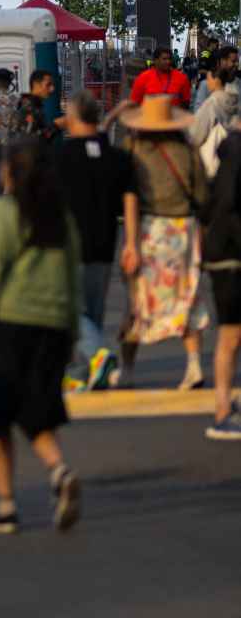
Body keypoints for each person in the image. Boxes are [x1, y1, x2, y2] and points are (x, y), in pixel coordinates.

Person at [0, 140, 83, 535]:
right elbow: (73, 276)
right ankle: (59, 470)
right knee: (36, 408)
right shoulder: (61, 216)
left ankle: (6, 505)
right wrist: (71, 332)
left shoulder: (1, 213)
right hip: (52, 326)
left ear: (9, 173)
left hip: (8, 325)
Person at [117, 95, 209, 390]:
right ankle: (194, 364)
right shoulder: (188, 149)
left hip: (149, 230)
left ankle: (127, 370)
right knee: (187, 299)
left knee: (138, 302)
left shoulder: (134, 148)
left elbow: (125, 193)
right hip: (185, 230)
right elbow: (203, 195)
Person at [54, 91, 137, 392]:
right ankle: (88, 371)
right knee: (93, 311)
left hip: (68, 244)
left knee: (68, 309)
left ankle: (98, 357)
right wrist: (131, 244)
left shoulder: (60, 157)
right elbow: (130, 199)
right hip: (106, 242)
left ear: (72, 118)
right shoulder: (117, 157)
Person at [201, 127, 241, 439]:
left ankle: (224, 406)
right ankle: (222, 411)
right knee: (230, 337)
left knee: (229, 337)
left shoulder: (216, 182)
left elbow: (202, 213)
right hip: (231, 263)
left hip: (218, 261)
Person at [129, 47, 193, 108]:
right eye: (164, 59)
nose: (168, 62)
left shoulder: (182, 78)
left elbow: (186, 102)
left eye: (169, 59)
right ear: (156, 60)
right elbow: (134, 103)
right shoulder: (143, 78)